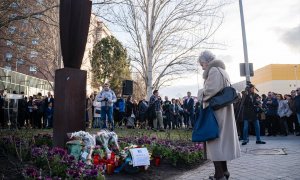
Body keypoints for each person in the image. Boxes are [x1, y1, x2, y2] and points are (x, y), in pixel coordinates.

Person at [198, 50, 240, 180]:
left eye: (202, 64)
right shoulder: (223, 70)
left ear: (207, 61)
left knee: (214, 141)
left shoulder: (214, 70)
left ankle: (219, 174)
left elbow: (210, 90)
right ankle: (225, 172)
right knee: (222, 142)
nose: (201, 66)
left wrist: (200, 92)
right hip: (223, 111)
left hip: (216, 113)